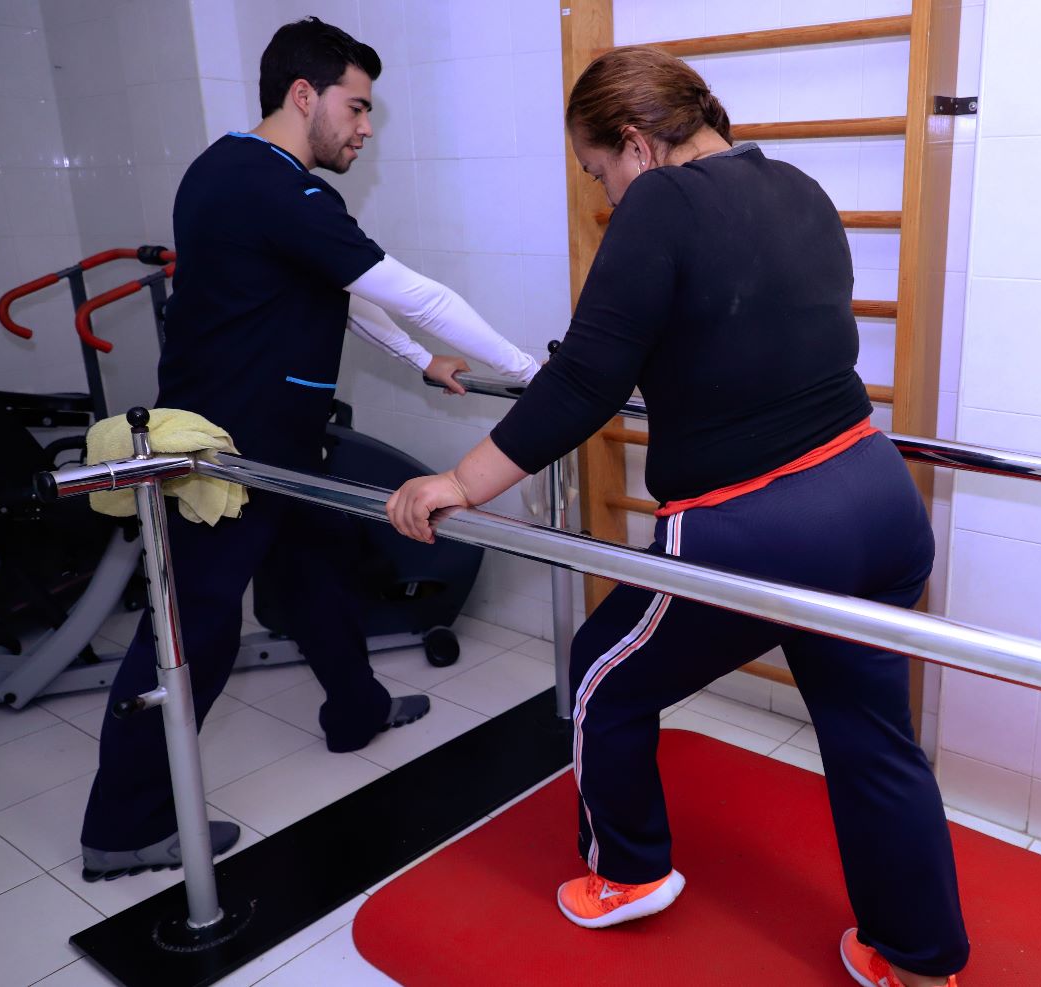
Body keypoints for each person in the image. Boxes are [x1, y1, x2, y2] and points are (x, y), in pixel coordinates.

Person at [386, 46, 968, 987]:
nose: (607, 195)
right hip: (876, 499)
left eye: (599, 174)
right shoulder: (799, 186)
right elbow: (759, 338)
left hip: (759, 531)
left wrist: (461, 478)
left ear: (635, 144)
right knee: (871, 733)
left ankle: (627, 872)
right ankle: (916, 956)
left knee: (600, 675)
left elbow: (584, 380)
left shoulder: (660, 202)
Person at [79, 17, 538, 881]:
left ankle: (356, 709)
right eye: (357, 108)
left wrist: (420, 360)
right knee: (193, 629)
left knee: (317, 571)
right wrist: (529, 372)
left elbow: (341, 292)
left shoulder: (231, 170)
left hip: (278, 440)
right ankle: (122, 827)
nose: (365, 128)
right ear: (304, 95)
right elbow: (413, 292)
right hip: (227, 455)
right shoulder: (273, 187)